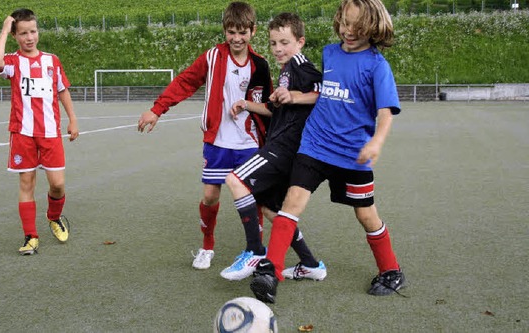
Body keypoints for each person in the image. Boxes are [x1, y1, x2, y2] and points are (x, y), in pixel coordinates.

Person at [250, 0, 405, 303]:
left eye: (357, 27)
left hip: (352, 154)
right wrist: (294, 96)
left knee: (366, 215)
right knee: (292, 201)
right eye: (345, 23)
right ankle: (271, 271)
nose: (348, 31)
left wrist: (376, 142)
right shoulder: (330, 53)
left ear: (372, 28)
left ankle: (391, 270)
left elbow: (386, 112)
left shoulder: (377, 66)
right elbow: (324, 93)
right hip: (315, 145)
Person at [137, 2, 273, 270]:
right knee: (210, 196)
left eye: (242, 32)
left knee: (254, 197)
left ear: (252, 31)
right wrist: (157, 109)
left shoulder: (261, 64)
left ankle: (254, 249)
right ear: (225, 31)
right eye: (231, 32)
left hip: (249, 143)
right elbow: (186, 82)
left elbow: (268, 105)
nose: (236, 38)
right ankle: (207, 246)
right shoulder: (212, 58)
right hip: (218, 142)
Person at [219, 13, 327, 282]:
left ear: (300, 42)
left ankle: (254, 251)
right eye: (273, 43)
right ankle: (311, 264)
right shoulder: (287, 71)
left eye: (284, 42)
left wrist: (294, 95)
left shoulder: (302, 66)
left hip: (285, 147)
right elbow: (275, 109)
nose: (278, 48)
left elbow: (323, 94)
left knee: (236, 180)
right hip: (282, 145)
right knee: (271, 209)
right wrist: (246, 105)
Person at [0, 8, 79, 255]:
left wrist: (72, 119)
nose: (29, 37)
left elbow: (62, 90)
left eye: (33, 31)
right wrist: (5, 29)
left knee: (58, 184)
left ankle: (54, 216)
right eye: (23, 33)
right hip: (22, 133)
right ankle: (31, 236)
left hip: (50, 133)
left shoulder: (52, 60)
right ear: (16, 36)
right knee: (26, 182)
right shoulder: (12, 62)